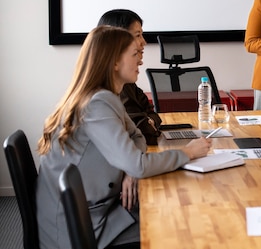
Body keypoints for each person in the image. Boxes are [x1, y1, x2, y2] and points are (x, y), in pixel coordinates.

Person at [36, 26, 212, 249]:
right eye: (135, 54)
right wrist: (188, 152)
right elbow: (138, 163)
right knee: (177, 222)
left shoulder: (106, 96)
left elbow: (136, 136)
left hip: (94, 209)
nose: (140, 60)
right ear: (114, 62)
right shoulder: (97, 103)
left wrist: (129, 167)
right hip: (80, 227)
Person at [98, 9, 162, 145]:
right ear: (118, 39)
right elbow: (145, 133)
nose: (144, 42)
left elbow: (152, 113)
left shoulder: (125, 81)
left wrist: (150, 120)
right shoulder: (105, 93)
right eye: (138, 35)